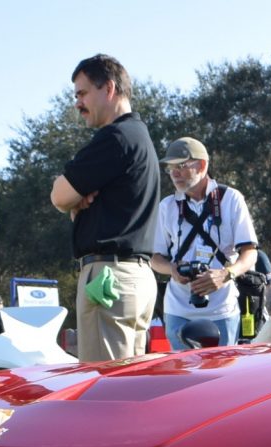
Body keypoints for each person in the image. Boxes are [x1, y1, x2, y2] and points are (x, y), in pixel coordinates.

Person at [50, 54, 159, 362]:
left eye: (82, 93)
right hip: (135, 278)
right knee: (127, 387)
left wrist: (74, 201)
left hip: (107, 279)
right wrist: (76, 200)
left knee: (104, 388)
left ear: (108, 89)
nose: (77, 103)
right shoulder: (139, 136)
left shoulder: (115, 138)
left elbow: (59, 196)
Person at [149, 137, 260, 350]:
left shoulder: (231, 199)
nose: (175, 173)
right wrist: (172, 269)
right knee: (183, 376)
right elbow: (154, 258)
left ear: (202, 165)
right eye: (170, 168)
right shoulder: (167, 206)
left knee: (222, 376)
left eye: (181, 165)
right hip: (178, 310)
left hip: (222, 309)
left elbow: (250, 252)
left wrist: (225, 274)